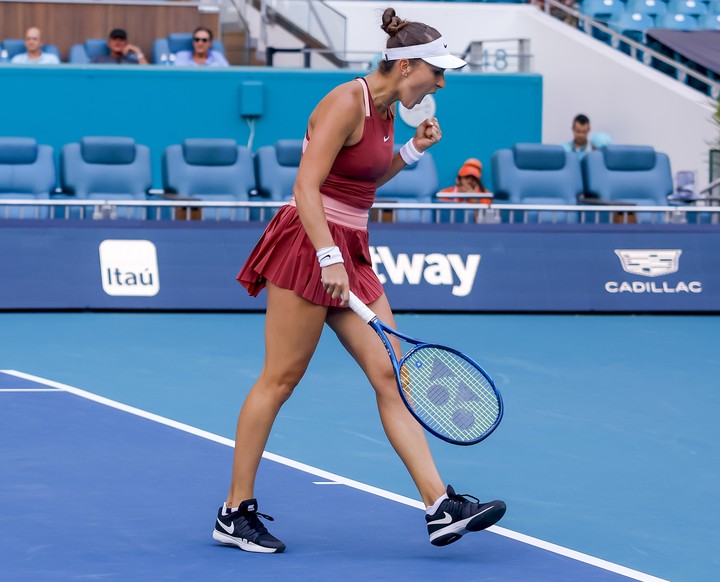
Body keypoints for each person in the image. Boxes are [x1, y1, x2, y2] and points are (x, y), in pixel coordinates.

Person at [214, 7, 506, 554]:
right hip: (309, 243)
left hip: (352, 251)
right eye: (436, 72)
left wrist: (414, 151)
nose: (442, 82)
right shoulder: (346, 101)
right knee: (281, 379)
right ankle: (235, 511)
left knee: (393, 375)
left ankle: (439, 506)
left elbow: (362, 179)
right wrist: (326, 256)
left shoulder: (391, 109)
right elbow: (307, 186)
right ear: (407, 65)